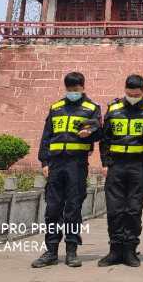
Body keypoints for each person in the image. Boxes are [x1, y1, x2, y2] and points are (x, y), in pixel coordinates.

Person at [31, 71, 102, 268]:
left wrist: (89, 133)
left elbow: (99, 133)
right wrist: (44, 162)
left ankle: (72, 250)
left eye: (76, 89)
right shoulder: (56, 108)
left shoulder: (91, 108)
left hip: (76, 164)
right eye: (69, 89)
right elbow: (46, 136)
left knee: (73, 208)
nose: (72, 92)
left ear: (83, 87)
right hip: (55, 164)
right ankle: (51, 251)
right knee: (52, 208)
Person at [97, 74, 143, 268]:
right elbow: (105, 138)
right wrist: (105, 163)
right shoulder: (114, 108)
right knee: (114, 209)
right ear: (125, 90)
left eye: (136, 94)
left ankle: (130, 250)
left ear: (142, 91)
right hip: (116, 165)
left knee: (134, 209)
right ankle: (115, 250)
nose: (133, 96)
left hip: (138, 165)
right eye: (130, 93)